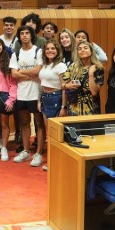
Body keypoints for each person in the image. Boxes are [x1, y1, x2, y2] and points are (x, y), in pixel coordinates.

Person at [10, 26, 44, 166]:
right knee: (24, 122)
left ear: (31, 36)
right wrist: (30, 74)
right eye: (22, 33)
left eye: (27, 33)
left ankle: (39, 153)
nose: (24, 36)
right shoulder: (15, 54)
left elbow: (39, 70)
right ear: (19, 36)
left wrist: (22, 73)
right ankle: (25, 150)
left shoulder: (38, 51)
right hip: (21, 94)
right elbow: (13, 74)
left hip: (35, 93)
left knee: (39, 123)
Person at [38, 40, 66, 171]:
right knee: (49, 133)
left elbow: (65, 87)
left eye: (53, 49)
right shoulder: (45, 65)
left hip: (56, 98)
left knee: (55, 134)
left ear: (58, 51)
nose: (50, 51)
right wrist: (39, 100)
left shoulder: (61, 66)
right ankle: (51, 160)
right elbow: (41, 83)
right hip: (45, 98)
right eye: (48, 49)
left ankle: (55, 162)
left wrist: (63, 107)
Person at [61, 41, 105, 116]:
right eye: (79, 49)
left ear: (91, 52)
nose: (82, 50)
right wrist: (67, 86)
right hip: (73, 109)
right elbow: (62, 84)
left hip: (91, 110)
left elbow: (94, 92)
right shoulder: (72, 66)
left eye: (85, 48)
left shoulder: (98, 68)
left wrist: (91, 73)